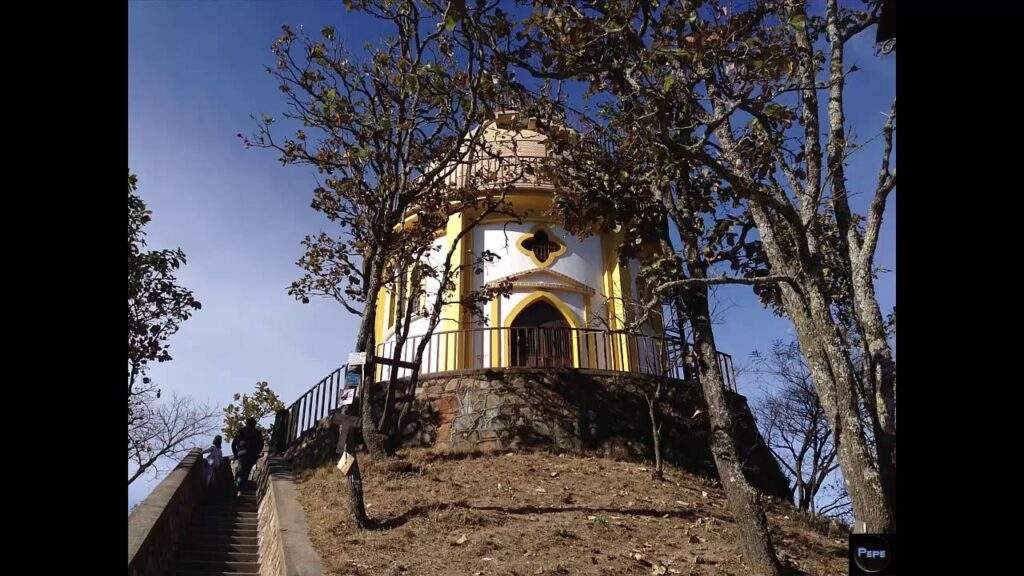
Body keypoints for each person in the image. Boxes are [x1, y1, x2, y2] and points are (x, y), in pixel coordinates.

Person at [231, 417, 264, 491]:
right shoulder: (257, 433)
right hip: (251, 455)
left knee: (241, 471)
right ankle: (241, 487)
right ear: (254, 424)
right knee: (246, 471)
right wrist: (257, 453)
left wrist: (235, 454)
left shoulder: (241, 431)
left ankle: (238, 487)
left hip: (243, 454)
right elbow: (261, 444)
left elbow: (234, 443)